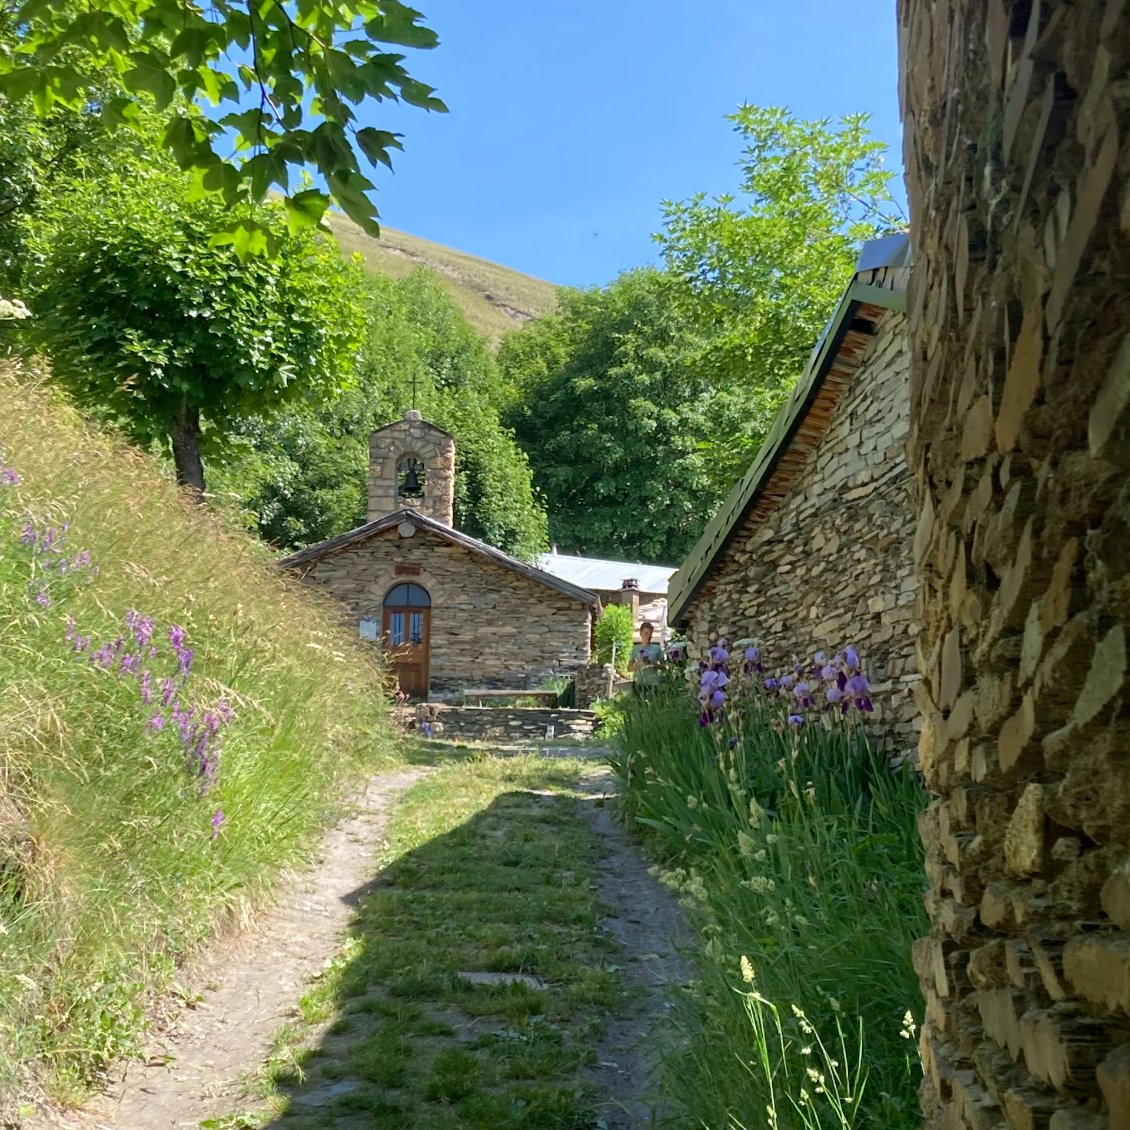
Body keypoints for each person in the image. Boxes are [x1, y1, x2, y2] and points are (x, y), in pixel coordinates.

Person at [628, 620, 664, 694]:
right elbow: (629, 668)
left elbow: (664, 667)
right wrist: (638, 665)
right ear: (640, 633)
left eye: (650, 633)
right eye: (646, 633)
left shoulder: (657, 648)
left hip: (653, 684)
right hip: (638, 683)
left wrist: (652, 664)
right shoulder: (635, 649)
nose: (648, 636)